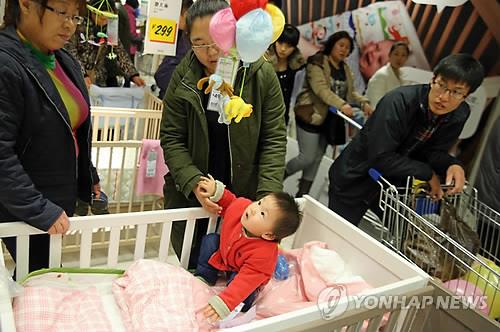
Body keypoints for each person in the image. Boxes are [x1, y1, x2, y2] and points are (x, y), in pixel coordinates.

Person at [160, 0, 286, 268]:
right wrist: (193, 181)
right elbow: (171, 137)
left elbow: (274, 140)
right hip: (192, 197)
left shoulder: (261, 74)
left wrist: (266, 202)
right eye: (199, 42)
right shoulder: (182, 78)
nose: (212, 50)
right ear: (188, 41)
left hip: (245, 199)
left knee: (239, 269)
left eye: (218, 38)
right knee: (194, 266)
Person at [328, 54, 485, 227]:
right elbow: (381, 157)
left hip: (392, 187)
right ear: (433, 79)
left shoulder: (459, 114)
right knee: (337, 237)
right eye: (441, 85)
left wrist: (452, 164)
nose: (444, 97)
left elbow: (432, 152)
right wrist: (427, 173)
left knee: (403, 237)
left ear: (467, 95)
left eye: (456, 92)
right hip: (355, 178)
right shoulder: (398, 101)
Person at [0, 0, 99, 273]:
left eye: (75, 17)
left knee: (43, 275)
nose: (69, 25)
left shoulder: (63, 60)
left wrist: (87, 174)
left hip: (54, 196)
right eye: (61, 13)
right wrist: (37, 208)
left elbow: (71, 128)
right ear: (26, 5)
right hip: (23, 205)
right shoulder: (6, 62)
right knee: (45, 277)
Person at [195, 175, 301, 321]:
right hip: (227, 257)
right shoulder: (243, 207)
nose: (253, 209)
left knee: (245, 295)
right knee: (211, 240)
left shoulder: (264, 255)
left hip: (243, 274)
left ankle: (241, 305)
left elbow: (244, 282)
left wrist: (224, 302)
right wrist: (216, 191)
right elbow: (230, 202)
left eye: (262, 214)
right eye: (259, 203)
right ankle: (205, 276)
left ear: (269, 235)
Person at [285, 31, 372, 197]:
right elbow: (321, 89)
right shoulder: (317, 62)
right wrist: (342, 104)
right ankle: (278, 176)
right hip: (310, 115)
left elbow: (351, 92)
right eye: (341, 45)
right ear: (332, 44)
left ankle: (302, 196)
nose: (344, 50)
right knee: (307, 157)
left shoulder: (345, 68)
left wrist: (364, 102)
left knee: (317, 159)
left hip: (329, 120)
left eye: (348, 48)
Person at [66, 0, 145, 88]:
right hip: (76, 75)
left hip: (99, 78)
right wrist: (82, 74)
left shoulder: (110, 27)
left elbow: (119, 51)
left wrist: (133, 75)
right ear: (93, 12)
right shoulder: (79, 24)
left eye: (108, 18)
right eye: (102, 18)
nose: (105, 21)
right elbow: (71, 51)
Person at [266, 23, 305, 126]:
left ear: (294, 47)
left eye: (288, 45)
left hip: (284, 115)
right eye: (280, 42)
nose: (283, 49)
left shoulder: (298, 67)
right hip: (263, 113)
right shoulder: (264, 62)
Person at [154, 0, 192, 99]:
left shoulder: (188, 39)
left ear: (186, 14)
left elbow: (164, 76)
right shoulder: (180, 36)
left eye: (175, 15)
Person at [365, 41, 410, 107]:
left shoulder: (402, 76)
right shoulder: (381, 75)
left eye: (403, 55)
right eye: (396, 54)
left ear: (406, 58)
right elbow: (375, 104)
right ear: (389, 55)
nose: (399, 58)